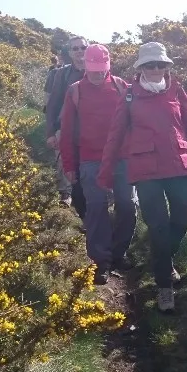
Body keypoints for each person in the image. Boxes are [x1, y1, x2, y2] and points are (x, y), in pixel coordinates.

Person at [98, 41, 187, 312]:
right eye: (150, 65)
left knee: (182, 220)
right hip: (145, 170)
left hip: (179, 165)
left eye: (160, 64)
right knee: (158, 227)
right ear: (141, 67)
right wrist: (105, 172)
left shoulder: (177, 89)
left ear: (167, 66)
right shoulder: (129, 95)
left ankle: (162, 260)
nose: (156, 69)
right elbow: (115, 135)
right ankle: (164, 287)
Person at [59, 44, 137, 285]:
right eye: (93, 70)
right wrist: (69, 166)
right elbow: (67, 132)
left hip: (123, 158)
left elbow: (136, 123)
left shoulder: (121, 87)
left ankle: (119, 252)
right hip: (90, 159)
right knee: (96, 208)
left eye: (101, 69)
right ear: (85, 65)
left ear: (108, 66)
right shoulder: (75, 91)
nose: (97, 74)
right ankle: (101, 262)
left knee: (128, 205)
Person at [45, 36, 89, 218]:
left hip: (92, 130)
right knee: (66, 163)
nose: (79, 51)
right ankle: (67, 194)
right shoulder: (62, 74)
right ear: (70, 52)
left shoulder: (99, 71)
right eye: (75, 48)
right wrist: (50, 132)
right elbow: (53, 104)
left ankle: (93, 206)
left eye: (83, 47)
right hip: (66, 128)